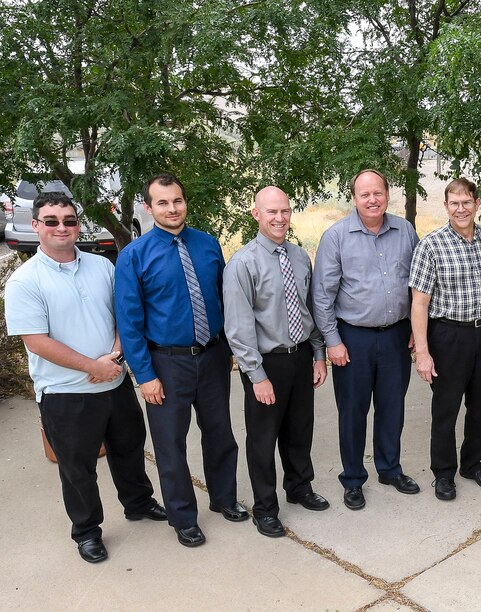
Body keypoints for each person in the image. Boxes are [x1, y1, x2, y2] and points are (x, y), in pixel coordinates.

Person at [5, 192, 166, 564]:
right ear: (36, 226)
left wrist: (115, 355)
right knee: (78, 469)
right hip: (65, 394)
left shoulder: (102, 267)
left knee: (129, 452)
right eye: (52, 221)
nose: (62, 227)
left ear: (78, 225)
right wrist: (92, 367)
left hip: (115, 382)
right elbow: (38, 341)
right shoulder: (24, 281)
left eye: (69, 220)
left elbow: (124, 315)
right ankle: (88, 532)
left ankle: (139, 504)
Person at [115, 173, 246, 548]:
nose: (172, 208)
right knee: (171, 445)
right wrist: (144, 374)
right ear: (148, 207)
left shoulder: (207, 244)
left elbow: (223, 298)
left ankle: (223, 498)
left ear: (185, 201)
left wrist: (231, 349)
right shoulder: (134, 257)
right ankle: (183, 517)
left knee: (221, 433)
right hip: (166, 364)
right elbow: (129, 319)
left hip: (213, 356)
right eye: (162, 202)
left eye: (177, 200)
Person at [223, 186, 330, 538]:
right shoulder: (243, 263)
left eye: (284, 211)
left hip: (300, 357)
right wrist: (256, 375)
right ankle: (265, 508)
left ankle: (299, 488)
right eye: (271, 212)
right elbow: (238, 328)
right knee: (263, 438)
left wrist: (318, 354)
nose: (280, 218)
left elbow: (309, 311)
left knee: (299, 431)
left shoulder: (300, 257)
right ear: (256, 214)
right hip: (266, 363)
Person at [313, 169, 421, 510]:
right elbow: (322, 295)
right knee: (353, 412)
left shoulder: (405, 230)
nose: (372, 200)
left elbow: (418, 285)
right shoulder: (337, 236)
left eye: (378, 192)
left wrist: (419, 333)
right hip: (352, 339)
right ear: (354, 198)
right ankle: (353, 478)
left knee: (393, 408)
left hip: (397, 337)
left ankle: (389, 469)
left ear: (387, 194)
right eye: (364, 194)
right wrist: (332, 341)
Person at [409, 178, 481, 501]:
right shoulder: (431, 245)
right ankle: (443, 472)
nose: (461, 209)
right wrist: (422, 352)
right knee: (446, 408)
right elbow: (419, 303)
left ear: (477, 203)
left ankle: (472, 463)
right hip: (449, 336)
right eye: (455, 203)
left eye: (467, 202)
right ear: (446, 207)